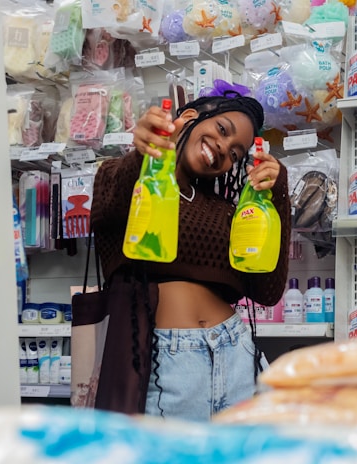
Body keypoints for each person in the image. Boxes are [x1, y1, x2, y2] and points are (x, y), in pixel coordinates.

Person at [89, 86, 291, 422]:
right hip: (166, 363)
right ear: (188, 118)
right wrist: (148, 151)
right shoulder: (123, 178)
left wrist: (277, 192)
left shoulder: (224, 209)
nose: (224, 148)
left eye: (236, 154)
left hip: (237, 353)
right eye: (222, 130)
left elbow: (266, 292)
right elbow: (111, 203)